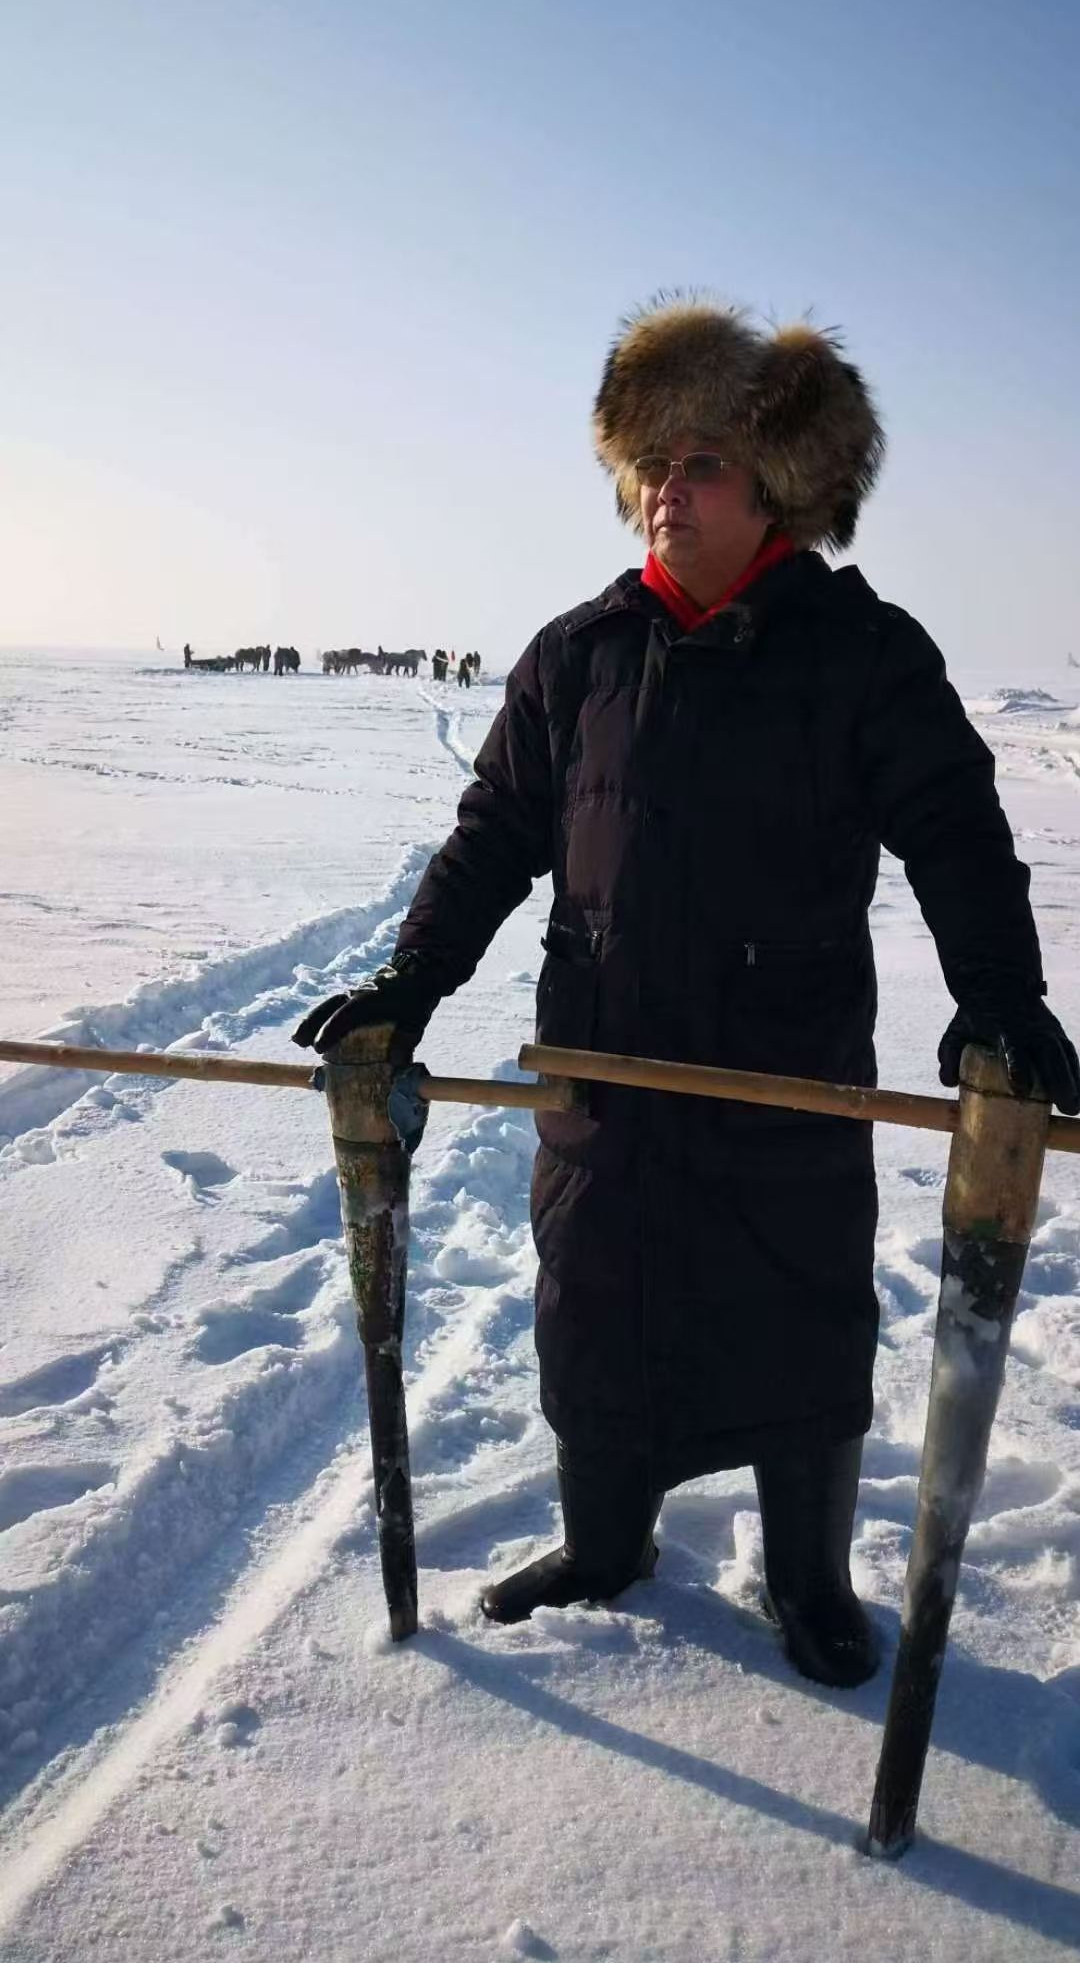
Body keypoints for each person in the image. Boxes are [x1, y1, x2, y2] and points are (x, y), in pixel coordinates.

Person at [294, 296, 1079, 1688]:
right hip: (605, 1077)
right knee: (597, 1308)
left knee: (796, 1315)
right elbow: (492, 838)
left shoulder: (860, 651)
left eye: (702, 462)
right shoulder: (578, 655)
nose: (668, 489)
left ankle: (808, 1579)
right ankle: (604, 1548)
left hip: (784, 1078)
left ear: (772, 484)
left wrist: (1000, 997)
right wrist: (411, 984)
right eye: (652, 465)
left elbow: (957, 832)